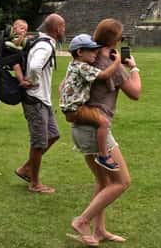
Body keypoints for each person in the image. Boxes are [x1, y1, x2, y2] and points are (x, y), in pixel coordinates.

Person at [68, 19, 141, 246]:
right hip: (96, 129)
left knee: (103, 181)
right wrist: (134, 68)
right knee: (121, 182)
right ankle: (82, 221)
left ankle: (99, 230)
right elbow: (135, 93)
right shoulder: (112, 65)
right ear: (116, 40)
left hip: (80, 127)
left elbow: (65, 87)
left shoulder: (85, 59)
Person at [14, 14, 66, 194]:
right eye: (63, 27)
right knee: (39, 142)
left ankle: (26, 169)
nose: (64, 30)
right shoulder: (45, 45)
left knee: (53, 135)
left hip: (43, 99)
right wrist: (33, 81)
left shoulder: (44, 43)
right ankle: (34, 183)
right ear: (57, 29)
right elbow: (36, 66)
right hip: (35, 99)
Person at [60, 34, 122, 171]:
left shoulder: (72, 65)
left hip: (71, 108)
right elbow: (104, 75)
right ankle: (103, 155)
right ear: (80, 52)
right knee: (104, 122)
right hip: (76, 109)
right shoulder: (82, 67)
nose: (96, 53)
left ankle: (102, 154)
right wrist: (117, 62)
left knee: (101, 121)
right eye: (92, 50)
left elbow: (61, 87)